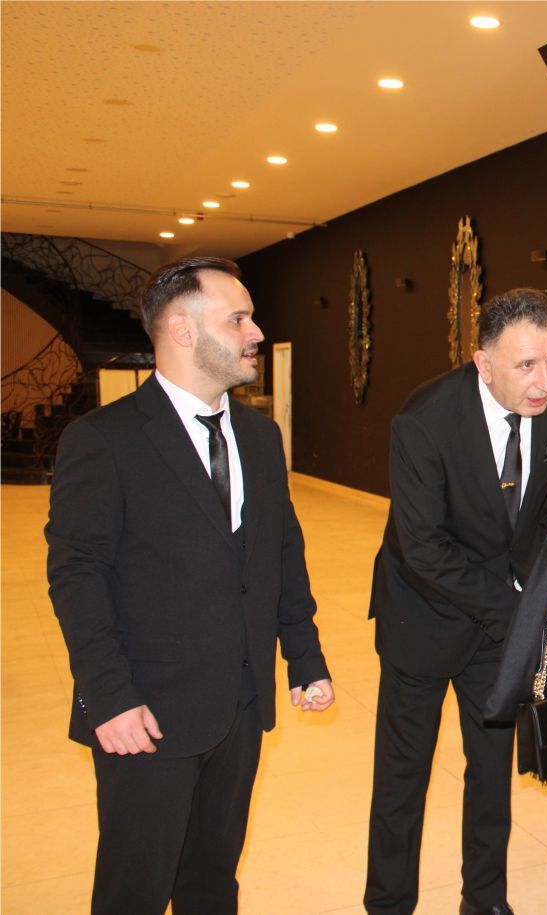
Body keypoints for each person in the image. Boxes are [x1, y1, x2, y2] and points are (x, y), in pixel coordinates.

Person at [46, 256, 334, 914]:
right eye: (238, 319)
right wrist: (108, 697)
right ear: (181, 330)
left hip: (239, 703)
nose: (256, 332)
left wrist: (304, 655)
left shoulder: (261, 436)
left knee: (211, 881)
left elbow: (281, 549)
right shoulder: (104, 439)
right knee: (135, 889)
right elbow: (77, 574)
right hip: (144, 714)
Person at [365, 289, 547, 915]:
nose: (544, 382)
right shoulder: (424, 420)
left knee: (490, 772)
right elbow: (422, 550)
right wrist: (516, 611)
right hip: (422, 620)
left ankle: (485, 901)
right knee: (403, 777)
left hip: (497, 624)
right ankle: (389, 904)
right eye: (526, 365)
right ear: (483, 363)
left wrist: (532, 581)